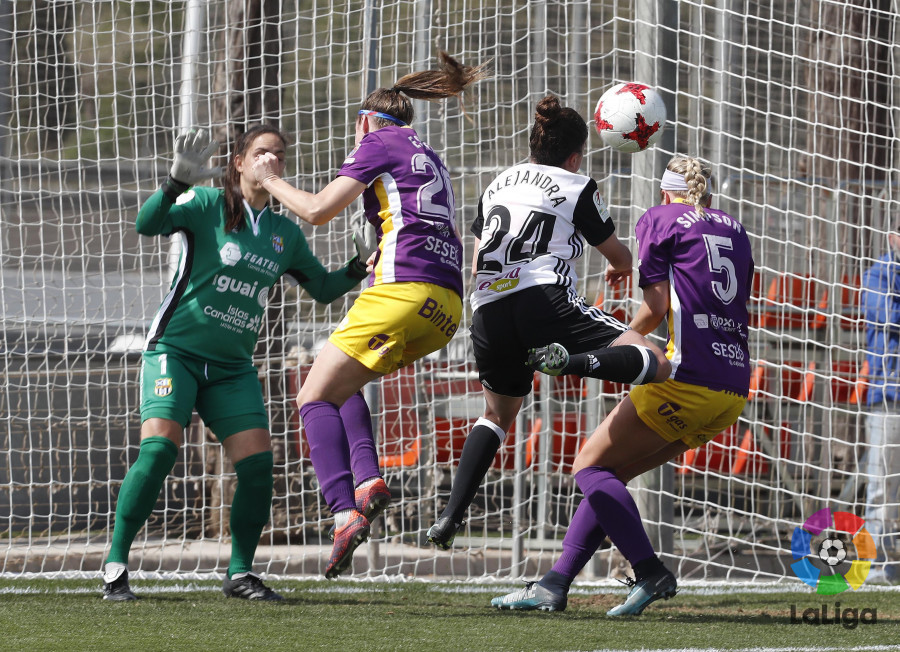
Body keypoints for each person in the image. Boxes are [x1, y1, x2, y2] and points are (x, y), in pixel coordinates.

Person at [102, 125, 374, 601]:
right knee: (160, 451)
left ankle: (241, 573)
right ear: (240, 163)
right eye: (263, 152)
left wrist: (358, 265)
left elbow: (325, 291)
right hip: (176, 353)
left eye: (281, 155)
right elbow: (147, 225)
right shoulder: (205, 205)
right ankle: (115, 566)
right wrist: (175, 183)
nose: (273, 160)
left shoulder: (284, 232)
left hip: (232, 368)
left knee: (257, 467)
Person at [251, 52, 490, 578]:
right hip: (446, 308)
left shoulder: (376, 142)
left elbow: (316, 210)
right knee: (343, 384)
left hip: (401, 292)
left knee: (311, 396)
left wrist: (268, 181)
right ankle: (367, 481)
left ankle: (342, 513)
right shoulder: (430, 155)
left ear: (365, 121)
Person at [491, 154, 754, 616]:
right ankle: (554, 584)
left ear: (663, 193)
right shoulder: (734, 227)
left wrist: (625, 340)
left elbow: (654, 309)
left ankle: (650, 571)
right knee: (609, 478)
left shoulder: (660, 218)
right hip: (732, 387)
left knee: (588, 467)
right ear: (708, 195)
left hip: (687, 378)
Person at [425, 96, 671, 551]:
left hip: (487, 305)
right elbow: (618, 256)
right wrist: (619, 265)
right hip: (543, 296)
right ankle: (567, 360)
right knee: (655, 361)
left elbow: (479, 258)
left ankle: (450, 514)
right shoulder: (578, 184)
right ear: (575, 154)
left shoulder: (497, 183)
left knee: (497, 414)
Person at [860, 234, 900, 584]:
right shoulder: (879, 274)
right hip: (890, 397)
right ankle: (878, 565)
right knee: (882, 486)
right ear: (892, 238)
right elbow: (889, 316)